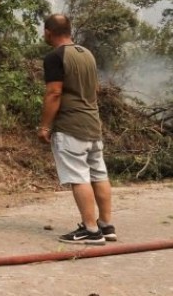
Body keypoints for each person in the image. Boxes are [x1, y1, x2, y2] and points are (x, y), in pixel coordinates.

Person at [38, 14, 116, 245]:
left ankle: (91, 231)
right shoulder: (87, 54)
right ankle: (106, 225)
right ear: (69, 30)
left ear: (49, 32)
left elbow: (54, 93)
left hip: (71, 127)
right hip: (93, 123)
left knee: (79, 177)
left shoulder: (55, 57)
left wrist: (44, 126)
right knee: (99, 174)